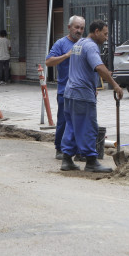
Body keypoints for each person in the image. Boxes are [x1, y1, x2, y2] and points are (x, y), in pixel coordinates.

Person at [60, 19, 124, 173]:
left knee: (71, 127)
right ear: (96, 32)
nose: (106, 37)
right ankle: (91, 161)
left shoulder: (78, 44)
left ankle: (67, 159)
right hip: (82, 94)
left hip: (70, 93)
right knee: (89, 127)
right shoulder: (90, 46)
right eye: (105, 34)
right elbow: (99, 67)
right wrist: (115, 85)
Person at [46, 15, 86, 159]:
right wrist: (66, 55)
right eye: (76, 27)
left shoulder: (85, 44)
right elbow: (49, 62)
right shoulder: (61, 44)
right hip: (64, 90)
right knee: (64, 120)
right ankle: (60, 149)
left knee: (80, 121)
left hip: (81, 91)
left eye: (81, 28)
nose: (79, 30)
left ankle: (78, 150)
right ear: (69, 27)